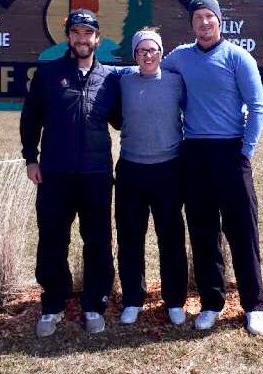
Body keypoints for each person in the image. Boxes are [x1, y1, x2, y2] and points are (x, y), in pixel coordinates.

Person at [162, 0, 263, 335]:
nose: (204, 23)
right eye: (198, 18)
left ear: (219, 21)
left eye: (209, 17)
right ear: (191, 24)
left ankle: (253, 306)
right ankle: (211, 303)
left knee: (242, 232)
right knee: (203, 233)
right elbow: (149, 71)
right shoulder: (180, 57)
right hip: (195, 154)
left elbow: (258, 107)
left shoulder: (238, 57)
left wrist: (246, 152)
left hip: (231, 152)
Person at [20, 9, 121, 337]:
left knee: (98, 241)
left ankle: (95, 305)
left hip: (96, 174)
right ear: (67, 37)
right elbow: (30, 119)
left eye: (88, 33)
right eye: (76, 33)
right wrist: (31, 159)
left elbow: (123, 119)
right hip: (55, 173)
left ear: (97, 39)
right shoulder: (49, 74)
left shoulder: (110, 78)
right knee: (52, 239)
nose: (82, 39)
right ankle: (52, 305)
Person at [114, 28, 188, 326]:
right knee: (130, 237)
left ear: (161, 52)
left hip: (169, 169)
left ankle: (175, 301)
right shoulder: (123, 80)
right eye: (142, 50)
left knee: (171, 237)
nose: (148, 55)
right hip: (131, 169)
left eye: (153, 50)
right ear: (134, 55)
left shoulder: (175, 81)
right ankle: (133, 299)